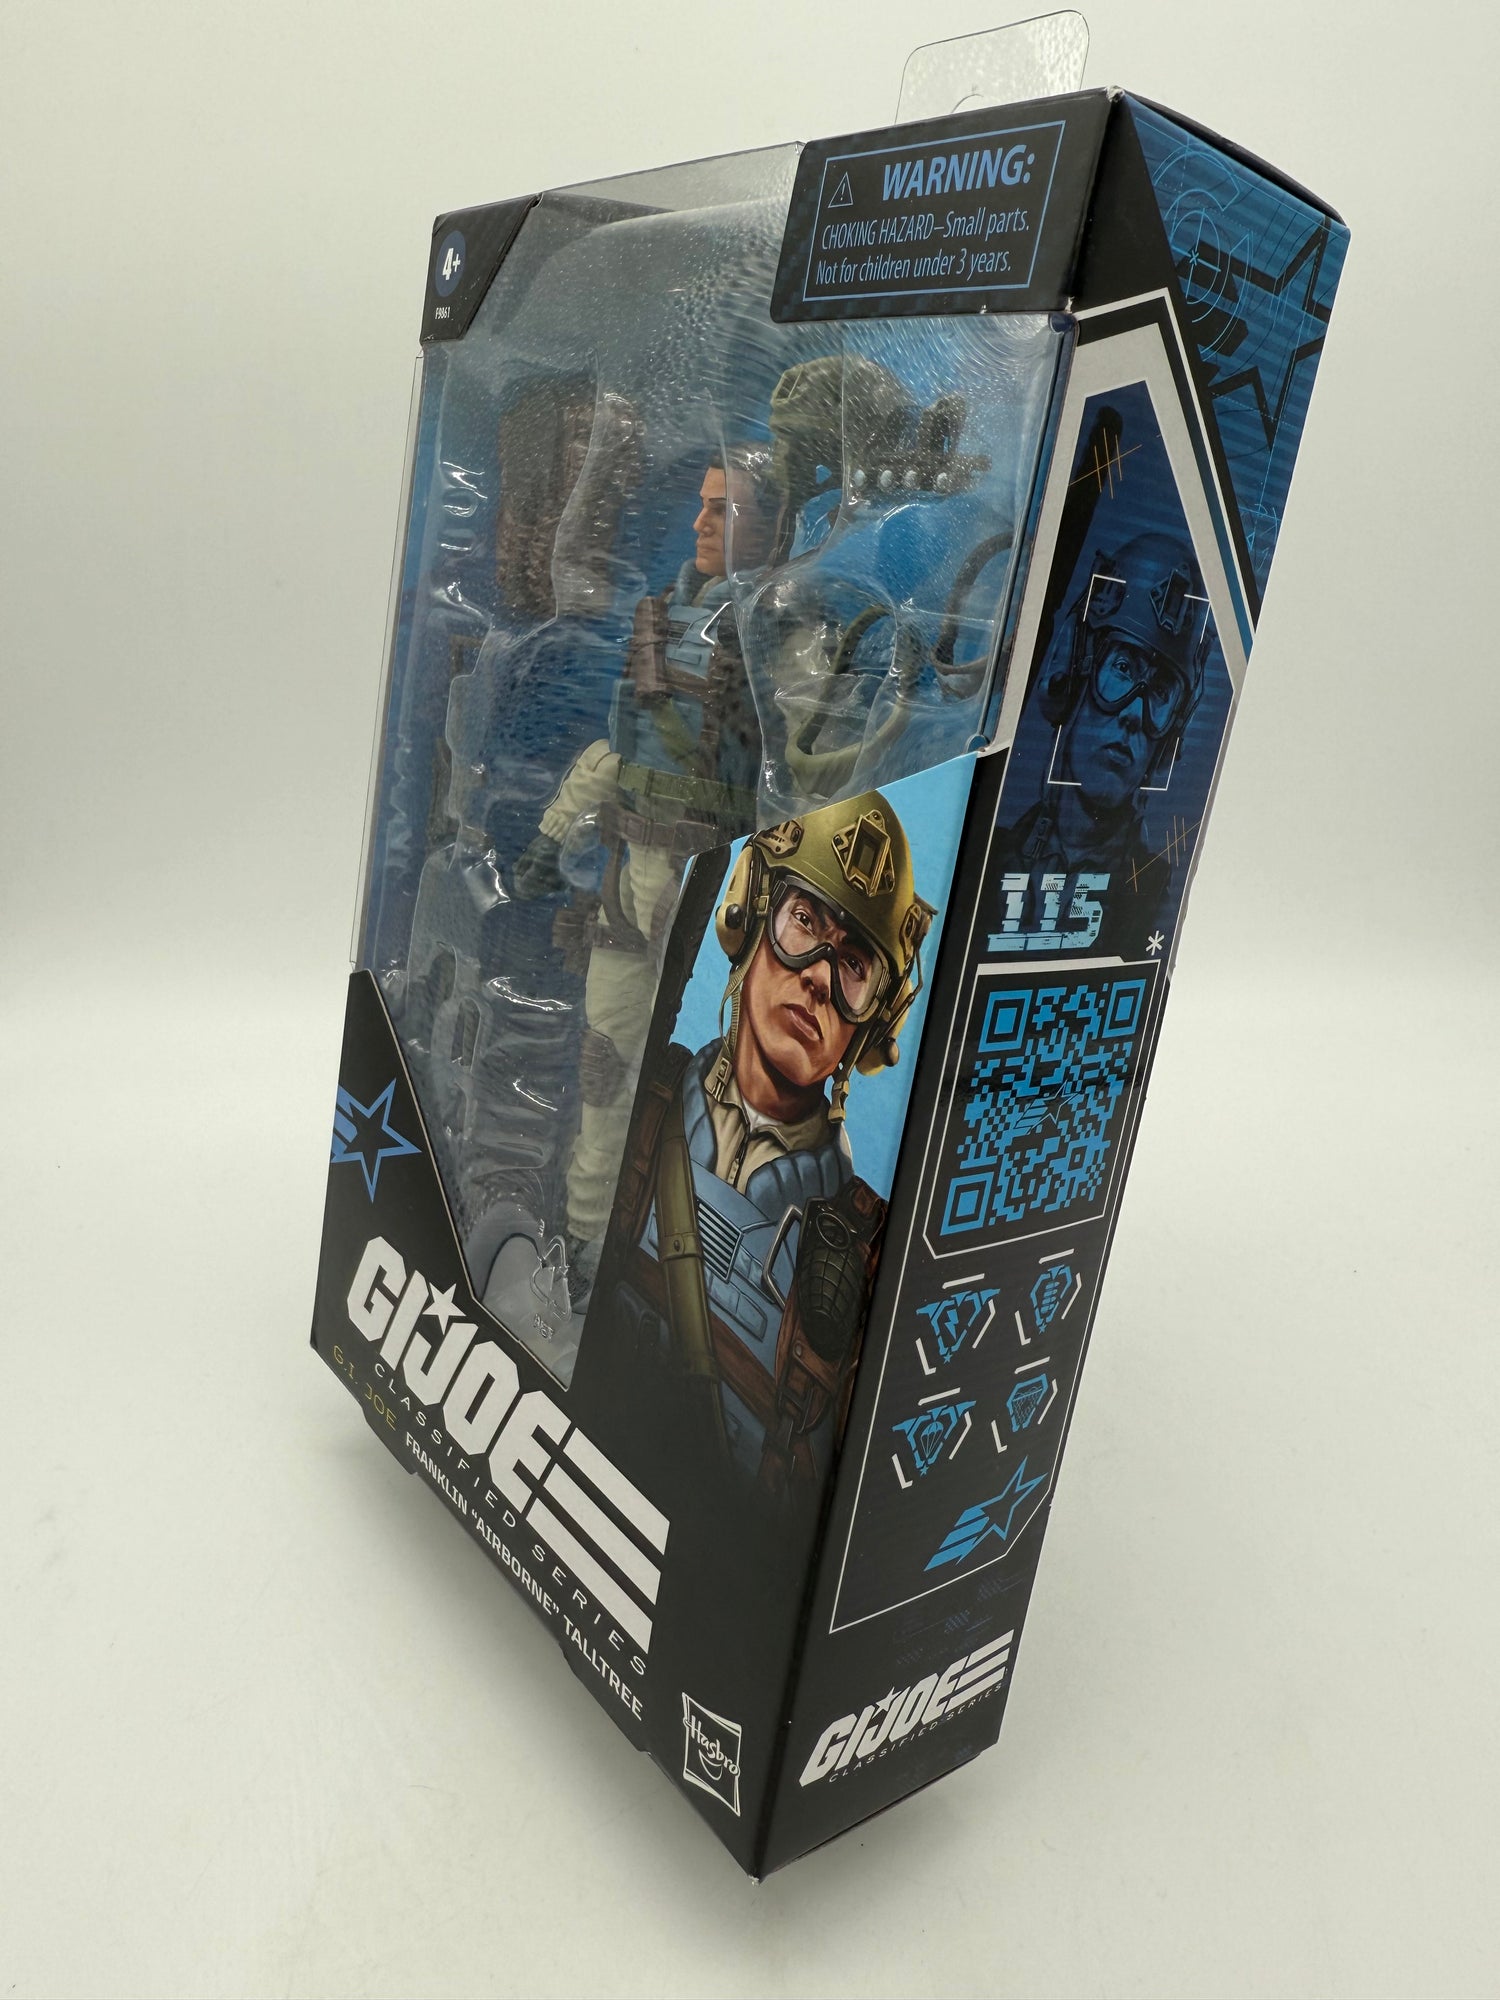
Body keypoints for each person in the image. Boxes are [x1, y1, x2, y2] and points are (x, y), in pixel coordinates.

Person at [611, 790, 936, 1497]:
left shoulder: (867, 1253)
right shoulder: (636, 1100)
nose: (818, 975)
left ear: (874, 1023)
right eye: (805, 921)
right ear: (753, 914)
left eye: (854, 966)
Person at [513, 446, 778, 1305]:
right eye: (701, 504)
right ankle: (584, 1244)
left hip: (716, 908)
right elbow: (615, 754)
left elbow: (802, 776)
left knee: (706, 1105)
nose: (701, 523)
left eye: (723, 510)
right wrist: (553, 835)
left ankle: (672, 1274)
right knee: (602, 1068)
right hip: (630, 891)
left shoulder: (778, 634)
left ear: (769, 528)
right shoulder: (658, 617)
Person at [996, 530, 1209, 954]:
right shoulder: (988, 864)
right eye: (1123, 668)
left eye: (1160, 692)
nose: (1133, 714)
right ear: (1074, 672)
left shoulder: (1155, 901)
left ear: (1172, 733)